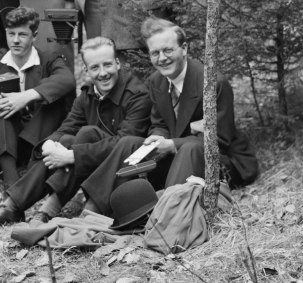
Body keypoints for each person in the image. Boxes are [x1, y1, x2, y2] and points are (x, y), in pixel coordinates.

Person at [79, 19, 260, 216]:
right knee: (129, 143)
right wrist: (158, 138)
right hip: (176, 159)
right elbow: (159, 124)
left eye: (168, 50)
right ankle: (94, 211)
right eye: (155, 53)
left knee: (191, 147)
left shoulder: (213, 83)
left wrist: (172, 144)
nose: (162, 58)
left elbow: (219, 141)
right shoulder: (157, 80)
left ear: (184, 48)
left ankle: (165, 217)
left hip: (219, 162)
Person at [0, 36, 151, 230]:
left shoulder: (137, 95)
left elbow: (124, 144)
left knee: (86, 134)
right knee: (67, 138)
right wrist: (49, 144)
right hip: (94, 163)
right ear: (86, 70)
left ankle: (51, 210)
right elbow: (67, 127)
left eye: (107, 65)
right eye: (95, 68)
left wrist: (71, 156)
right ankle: (13, 206)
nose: (102, 73)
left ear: (117, 63)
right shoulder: (88, 94)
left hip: (128, 170)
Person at [0, 7, 75, 188]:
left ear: (34, 35)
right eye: (11, 34)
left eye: (22, 35)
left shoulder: (48, 59)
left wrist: (27, 96)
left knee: (53, 99)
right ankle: (11, 179)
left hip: (42, 138)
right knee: (1, 105)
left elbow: (67, 80)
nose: (15, 40)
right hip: (8, 140)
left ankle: (32, 173)